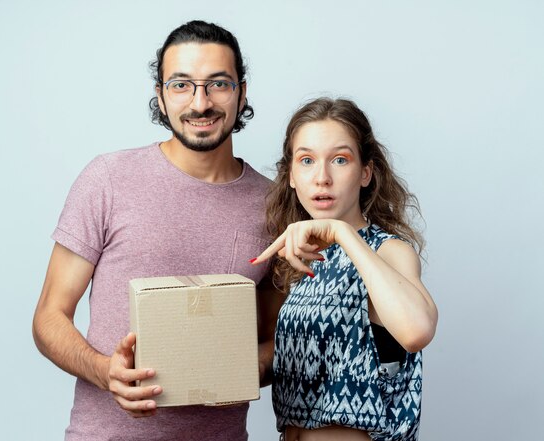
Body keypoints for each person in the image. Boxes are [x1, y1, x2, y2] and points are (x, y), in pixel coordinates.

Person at [32, 20, 284, 441]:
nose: (200, 103)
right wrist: (103, 371)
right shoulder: (108, 179)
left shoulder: (275, 206)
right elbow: (48, 317)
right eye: (181, 85)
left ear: (242, 93)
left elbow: (276, 341)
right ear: (161, 97)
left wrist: (240, 369)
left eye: (218, 84)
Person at [251, 98, 438, 440]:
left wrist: (343, 233)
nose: (322, 178)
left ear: (366, 172)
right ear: (291, 176)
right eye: (306, 160)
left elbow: (416, 332)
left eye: (340, 159)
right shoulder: (300, 260)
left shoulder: (387, 251)